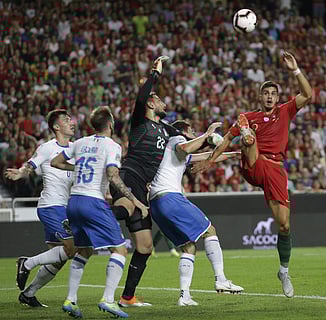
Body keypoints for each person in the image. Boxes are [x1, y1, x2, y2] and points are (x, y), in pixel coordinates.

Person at [193, 51, 312, 298]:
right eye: (265, 93)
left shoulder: (285, 111)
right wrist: (209, 161)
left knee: (285, 225)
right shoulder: (250, 117)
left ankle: (283, 271)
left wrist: (295, 69)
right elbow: (227, 139)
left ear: (277, 97)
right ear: (260, 96)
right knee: (247, 135)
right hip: (254, 163)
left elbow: (308, 95)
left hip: (276, 170)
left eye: (273, 94)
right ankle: (248, 136)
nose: (269, 97)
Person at [51, 106, 149, 318]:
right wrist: (136, 201)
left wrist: (78, 169)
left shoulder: (79, 143)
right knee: (120, 250)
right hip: (93, 201)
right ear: (111, 124)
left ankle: (71, 299)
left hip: (74, 201)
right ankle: (108, 299)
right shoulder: (112, 146)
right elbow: (113, 176)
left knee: (84, 251)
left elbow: (55, 162)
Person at [109, 56, 182, 307]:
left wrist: (216, 139)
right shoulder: (139, 120)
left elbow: (187, 141)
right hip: (130, 175)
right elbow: (140, 97)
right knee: (126, 208)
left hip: (144, 187)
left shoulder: (166, 129)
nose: (163, 103)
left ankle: (127, 296)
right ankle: (82, 219)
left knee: (145, 245)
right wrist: (155, 73)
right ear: (151, 102)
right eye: (159, 99)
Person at [149, 120, 243, 306]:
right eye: (191, 130)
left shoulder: (175, 154)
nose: (193, 132)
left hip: (157, 205)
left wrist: (233, 154)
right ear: (184, 131)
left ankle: (184, 296)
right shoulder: (176, 139)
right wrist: (207, 134)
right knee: (210, 231)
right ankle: (221, 279)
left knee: (189, 247)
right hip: (170, 198)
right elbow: (185, 147)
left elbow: (207, 156)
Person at [5, 109, 76, 308]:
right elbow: (30, 164)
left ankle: (29, 294)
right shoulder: (47, 147)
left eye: (71, 118)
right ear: (56, 126)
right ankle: (26, 263)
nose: (71, 122)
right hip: (51, 206)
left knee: (58, 258)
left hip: (65, 207)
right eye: (66, 119)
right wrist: (21, 173)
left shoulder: (74, 149)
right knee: (72, 248)